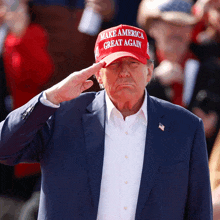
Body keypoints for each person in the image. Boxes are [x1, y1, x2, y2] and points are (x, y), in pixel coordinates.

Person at [0, 24, 212, 219]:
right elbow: (5, 148)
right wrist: (50, 98)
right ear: (99, 75)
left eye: (133, 63)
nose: (125, 72)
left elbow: (199, 210)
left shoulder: (185, 127)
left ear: (149, 71)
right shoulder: (62, 116)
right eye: (115, 64)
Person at [137, 0, 220, 157]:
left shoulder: (210, 65)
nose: (178, 31)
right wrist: (155, 81)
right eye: (170, 23)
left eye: (185, 25)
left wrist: (214, 122)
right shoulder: (135, 64)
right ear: (153, 28)